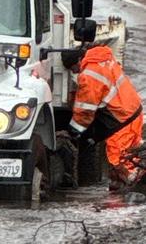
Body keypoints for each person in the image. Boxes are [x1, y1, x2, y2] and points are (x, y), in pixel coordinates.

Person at [61, 45, 144, 190]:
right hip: (133, 112)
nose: (75, 72)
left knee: (119, 160)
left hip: (121, 118)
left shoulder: (89, 75)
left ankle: (135, 193)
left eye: (74, 68)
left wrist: (73, 131)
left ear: (80, 60)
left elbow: (85, 111)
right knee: (131, 156)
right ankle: (120, 192)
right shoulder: (102, 59)